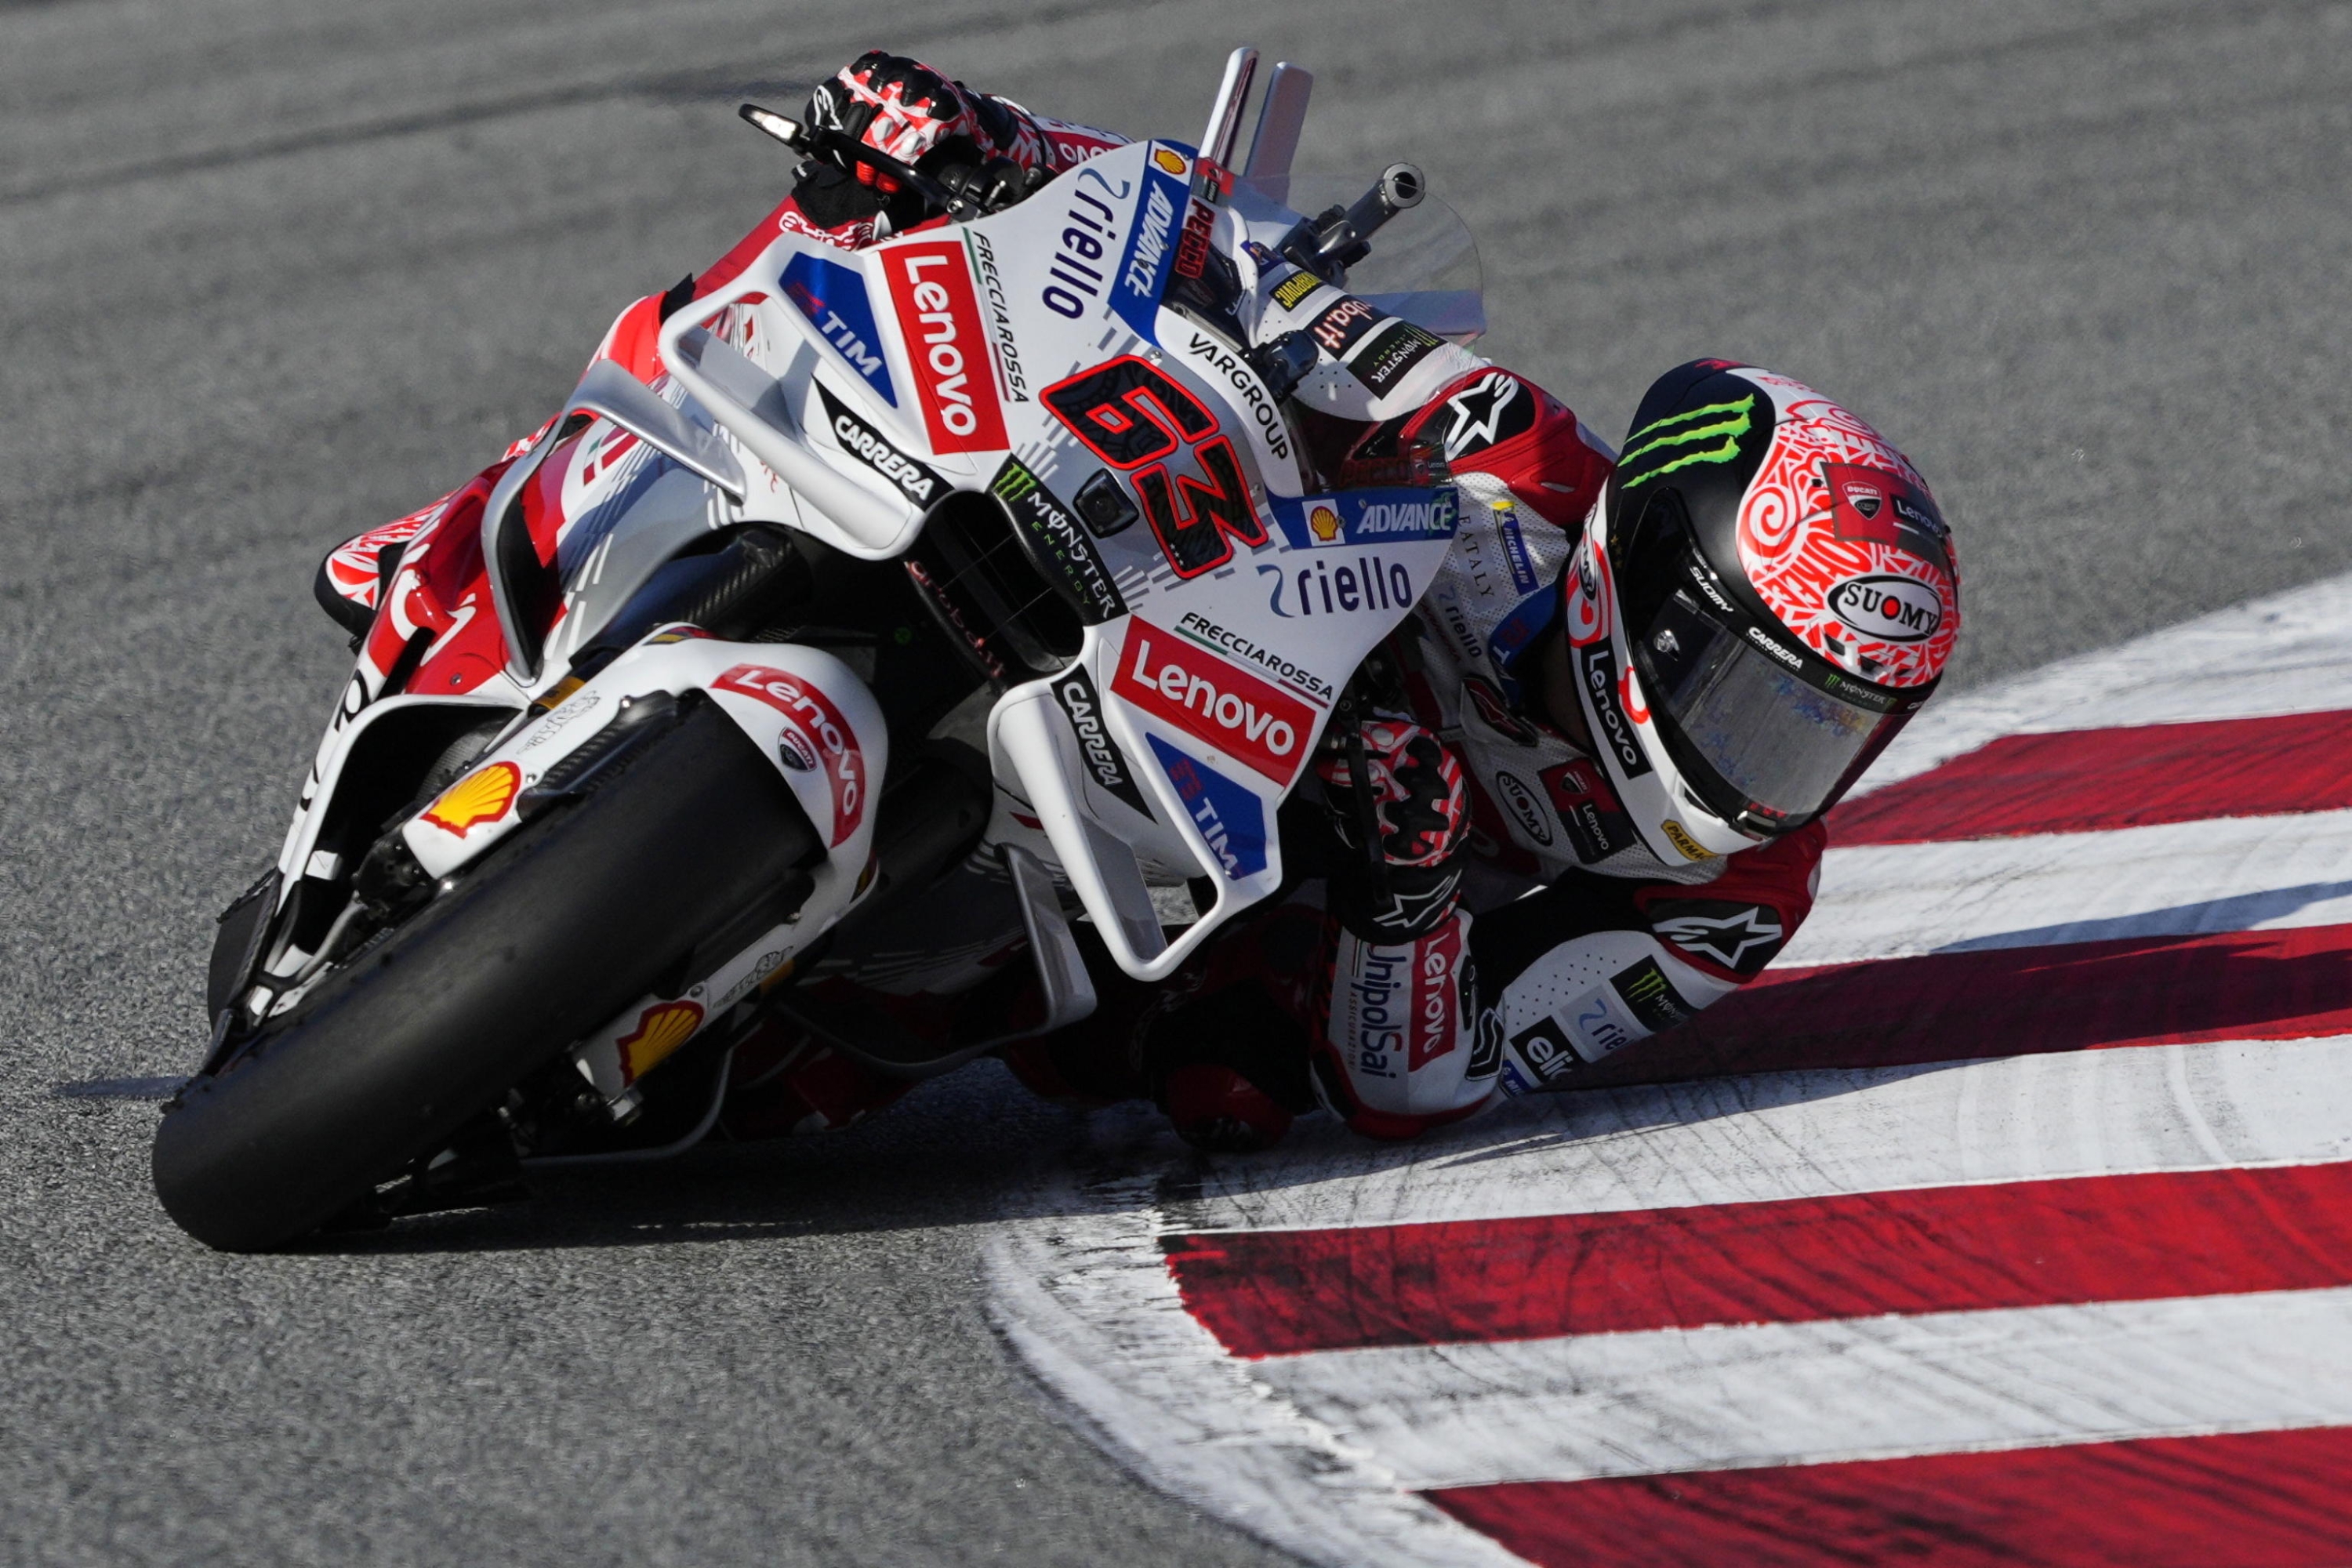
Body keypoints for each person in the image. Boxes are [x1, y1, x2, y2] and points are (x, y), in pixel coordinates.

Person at [325, 55, 1962, 1150]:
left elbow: (1433, 1080)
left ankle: (731, 990)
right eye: (1762, 693)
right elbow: (1260, 273)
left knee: (1193, 1083)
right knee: (862, 276)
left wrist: (1403, 896)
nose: (1777, 763)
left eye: (1830, 727)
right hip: (1169, 602)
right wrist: (1006, 153)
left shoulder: (1737, 897)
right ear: (1650, 584)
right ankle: (512, 513)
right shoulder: (1513, 454)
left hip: (1265, 912)